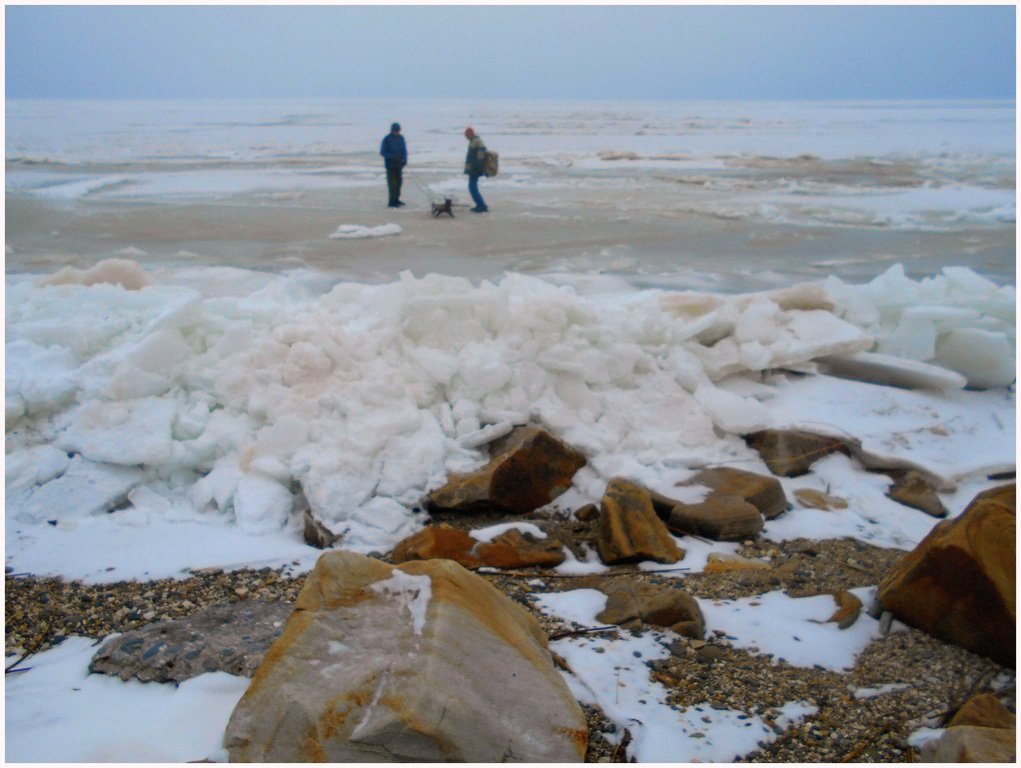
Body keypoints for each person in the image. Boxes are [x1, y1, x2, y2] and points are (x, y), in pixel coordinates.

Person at [380, 122, 407, 208]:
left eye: (397, 130)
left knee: (399, 183)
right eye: (395, 130)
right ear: (392, 130)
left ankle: (396, 199)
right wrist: (391, 157)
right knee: (392, 184)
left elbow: (404, 150)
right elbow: (382, 152)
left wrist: (404, 160)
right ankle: (391, 201)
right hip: (390, 165)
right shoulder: (387, 139)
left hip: (399, 165)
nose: (396, 132)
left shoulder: (401, 138)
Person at [463, 127, 488, 213]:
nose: (466, 137)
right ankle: (480, 205)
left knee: (472, 187)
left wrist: (477, 169)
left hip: (475, 170)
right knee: (472, 187)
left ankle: (481, 206)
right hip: (473, 169)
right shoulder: (473, 141)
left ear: (471, 134)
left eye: (466, 135)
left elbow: (480, 157)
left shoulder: (476, 142)